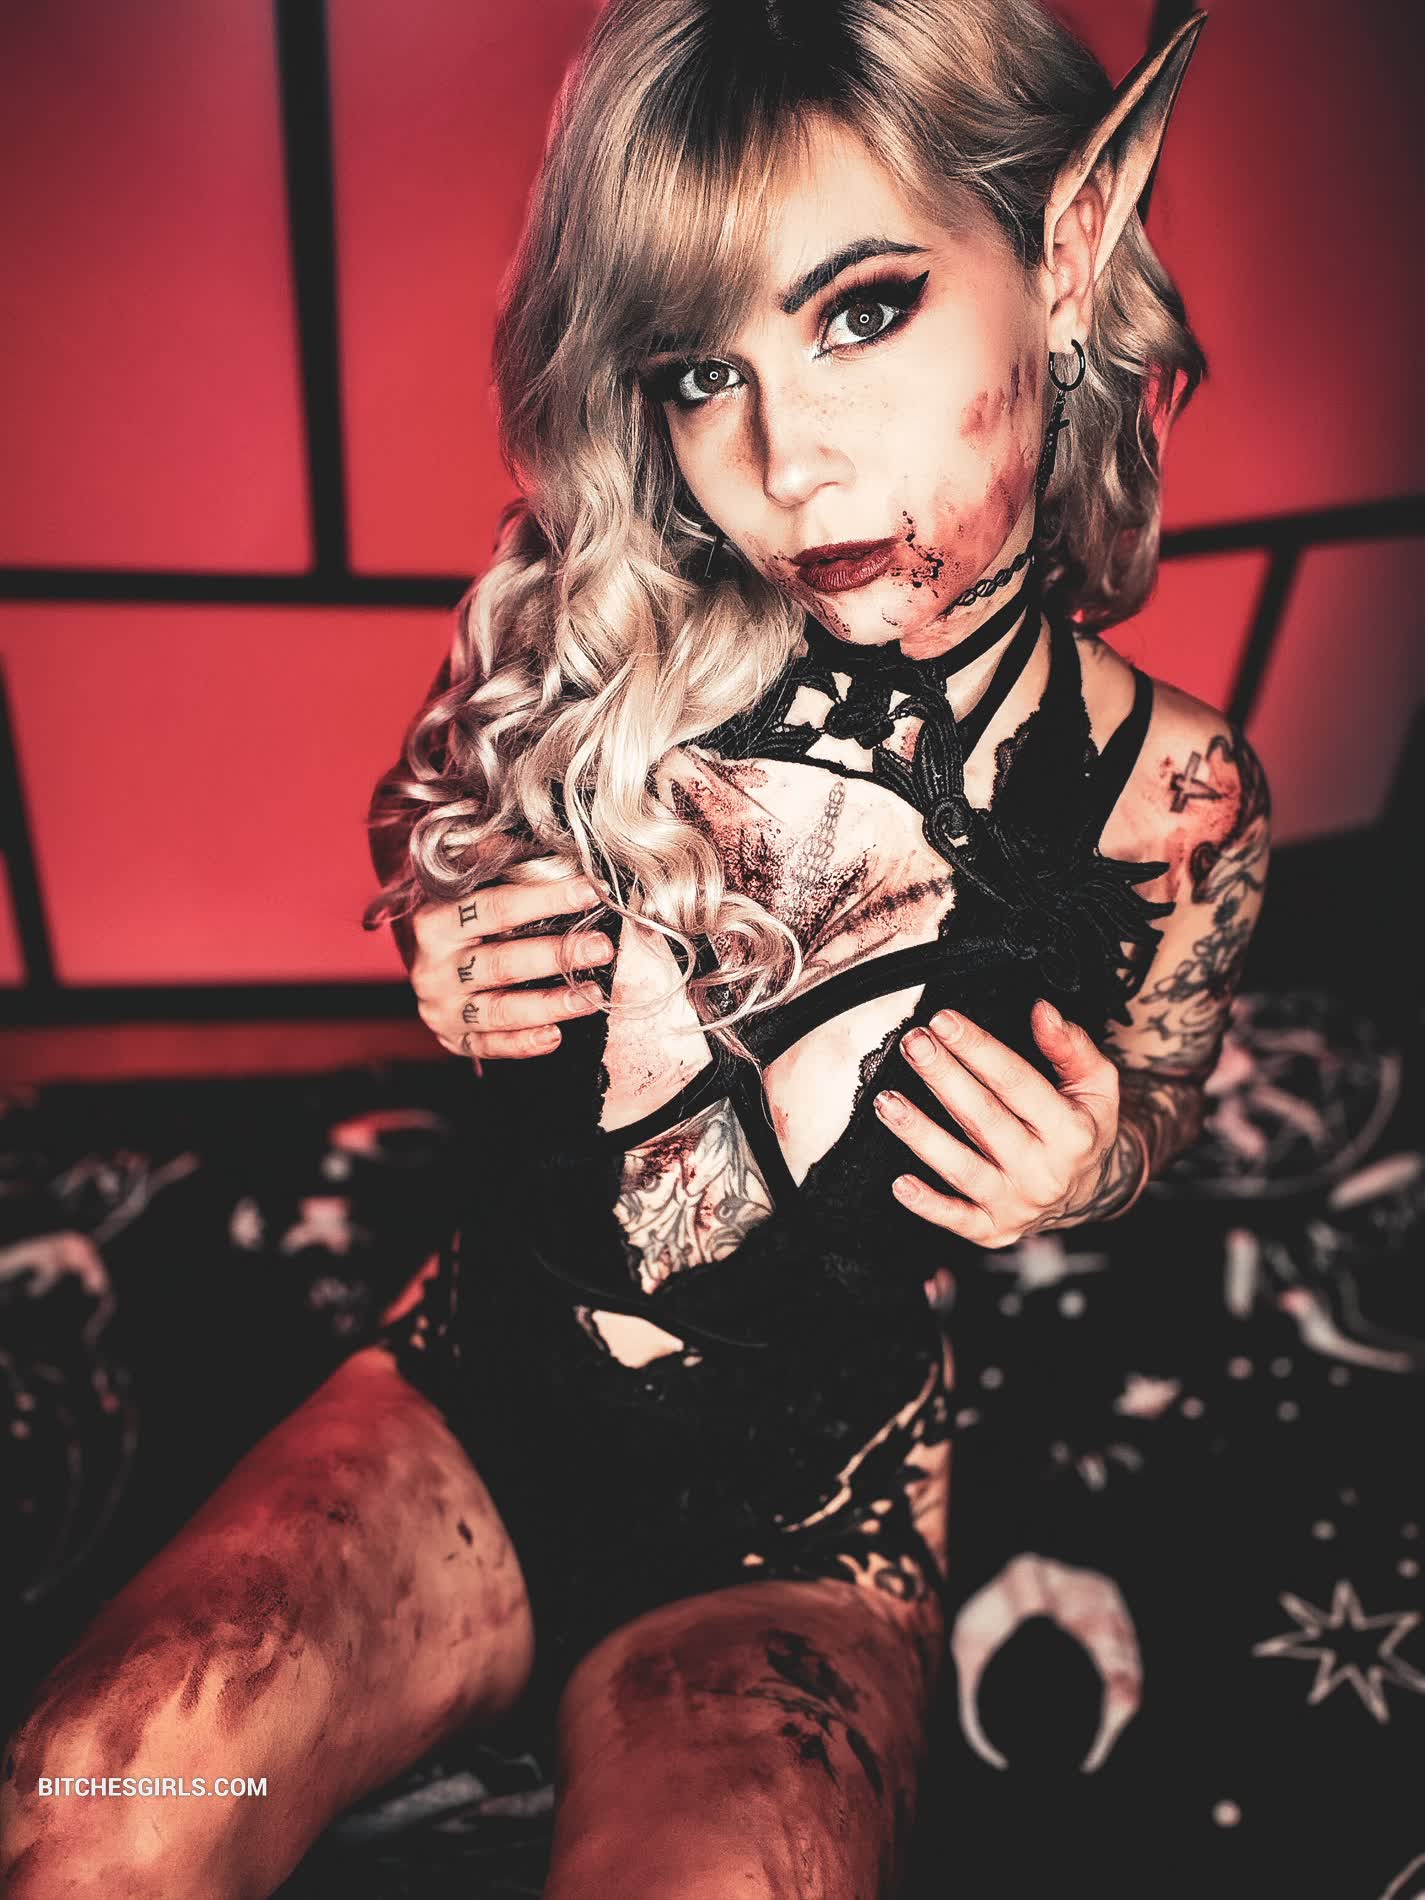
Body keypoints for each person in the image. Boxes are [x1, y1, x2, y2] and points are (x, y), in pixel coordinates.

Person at [1, 3, 1270, 1895]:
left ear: (1066, 247)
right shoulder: (594, 625)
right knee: (99, 1794)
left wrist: (1089, 1161)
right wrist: (435, 934)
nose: (781, 459)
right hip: (464, 1398)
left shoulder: (1175, 793)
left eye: (861, 311)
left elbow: (1160, 1080)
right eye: (698, 369)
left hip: (809, 1518)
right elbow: (428, 816)